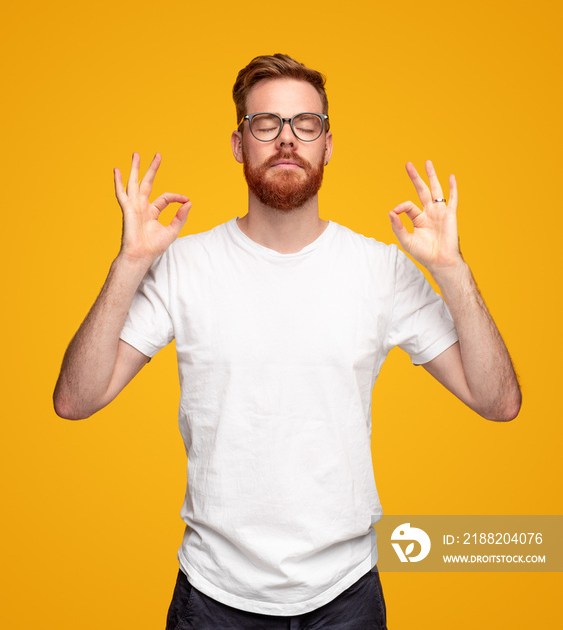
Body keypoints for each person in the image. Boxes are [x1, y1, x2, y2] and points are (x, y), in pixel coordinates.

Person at [53, 54, 521, 629]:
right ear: (238, 143)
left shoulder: (380, 270)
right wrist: (129, 263)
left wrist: (452, 272)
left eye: (305, 124)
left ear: (328, 143)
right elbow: (77, 399)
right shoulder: (184, 266)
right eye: (266, 124)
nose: (286, 140)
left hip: (346, 597)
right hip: (212, 598)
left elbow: (498, 402)